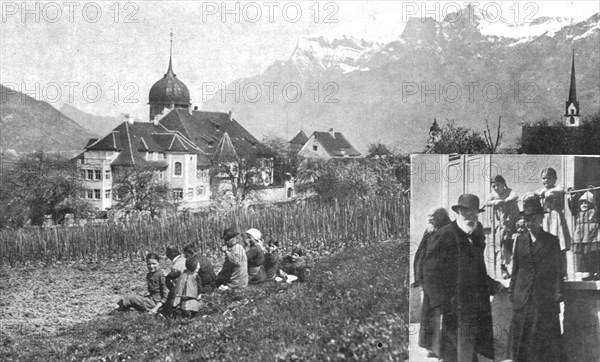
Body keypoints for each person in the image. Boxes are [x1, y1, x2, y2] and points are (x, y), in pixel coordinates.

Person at [421, 194, 504, 362]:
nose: (472, 217)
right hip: (454, 306)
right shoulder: (444, 235)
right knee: (454, 352)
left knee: (471, 351)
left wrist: (494, 285)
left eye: (475, 214)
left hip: (475, 305)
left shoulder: (474, 237)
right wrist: (441, 302)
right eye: (468, 213)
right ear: (459, 212)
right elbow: (429, 272)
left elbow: (478, 271)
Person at [509, 196, 563, 362]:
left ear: (541, 219)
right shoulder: (520, 240)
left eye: (532, 219)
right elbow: (516, 268)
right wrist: (512, 291)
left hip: (543, 299)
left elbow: (558, 270)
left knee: (543, 343)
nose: (529, 223)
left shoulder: (552, 241)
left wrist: (558, 293)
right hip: (523, 298)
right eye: (526, 219)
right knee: (521, 342)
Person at [413, 207, 451, 358]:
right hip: (428, 281)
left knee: (439, 316)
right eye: (428, 215)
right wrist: (419, 276)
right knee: (428, 316)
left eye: (432, 216)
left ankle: (441, 349)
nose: (429, 219)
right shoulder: (429, 231)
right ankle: (431, 347)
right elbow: (420, 253)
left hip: (441, 282)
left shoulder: (448, 231)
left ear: (441, 217)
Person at [535, 167, 570, 277]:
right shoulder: (541, 191)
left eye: (548, 178)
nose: (546, 180)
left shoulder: (557, 188)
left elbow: (560, 190)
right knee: (546, 246)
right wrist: (542, 194)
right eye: (544, 178)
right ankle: (549, 271)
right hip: (546, 219)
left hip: (556, 218)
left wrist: (548, 193)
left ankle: (563, 272)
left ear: (555, 179)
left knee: (560, 244)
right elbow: (536, 193)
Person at [485, 175, 520, 279]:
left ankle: (513, 268)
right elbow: (486, 202)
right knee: (500, 245)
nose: (496, 188)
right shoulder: (493, 195)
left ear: (503, 184)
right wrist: (494, 202)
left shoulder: (508, 192)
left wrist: (506, 200)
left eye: (498, 185)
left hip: (511, 222)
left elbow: (515, 196)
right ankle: (503, 268)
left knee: (511, 244)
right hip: (500, 224)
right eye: (493, 186)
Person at [571, 191, 599, 279]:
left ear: (591, 204)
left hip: (591, 236)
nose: (584, 204)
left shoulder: (593, 212)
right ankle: (589, 273)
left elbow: (597, 204)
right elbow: (572, 207)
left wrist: (596, 194)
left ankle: (596, 272)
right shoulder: (578, 213)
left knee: (593, 254)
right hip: (581, 237)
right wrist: (573, 197)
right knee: (584, 256)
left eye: (586, 202)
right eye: (582, 202)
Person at [164, 245, 186, 313]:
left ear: (168, 254)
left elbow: (175, 274)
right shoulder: (183, 259)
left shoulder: (178, 263)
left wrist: (166, 276)